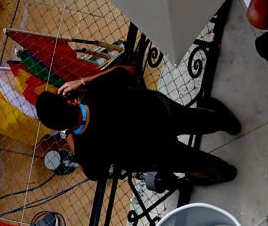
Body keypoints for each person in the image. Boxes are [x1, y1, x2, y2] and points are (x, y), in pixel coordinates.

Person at [33, 62, 243, 185]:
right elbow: (130, 72)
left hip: (150, 154)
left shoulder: (84, 148)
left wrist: (69, 134)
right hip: (158, 113)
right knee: (196, 119)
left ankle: (225, 173)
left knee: (189, 162)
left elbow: (95, 175)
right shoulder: (96, 93)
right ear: (69, 100)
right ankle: (227, 123)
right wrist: (84, 82)